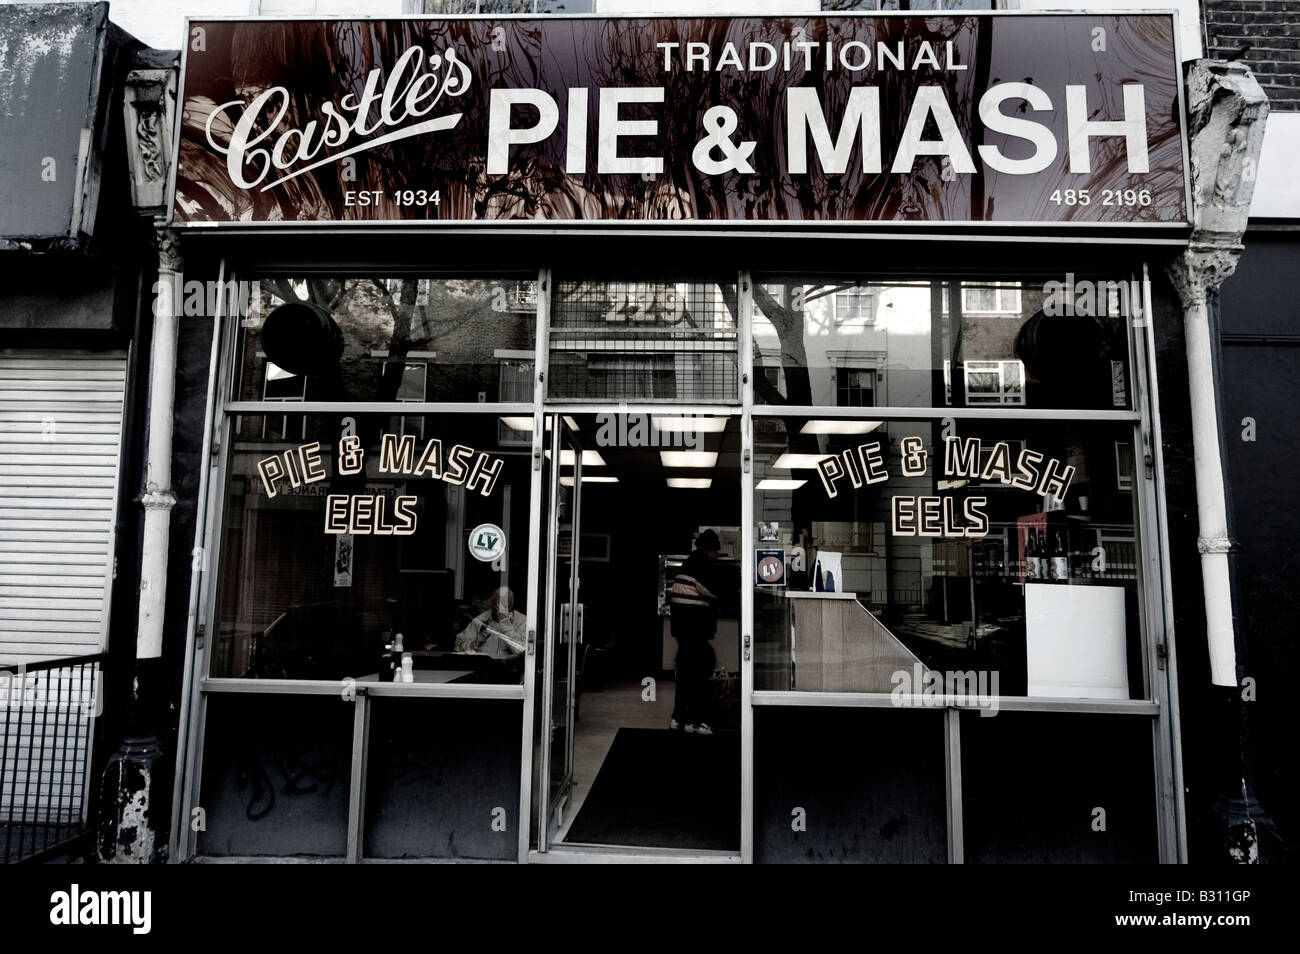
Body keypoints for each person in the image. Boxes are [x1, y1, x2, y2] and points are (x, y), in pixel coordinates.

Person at [669, 529, 724, 735]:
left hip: (682, 627)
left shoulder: (690, 562)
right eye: (716, 551)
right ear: (710, 550)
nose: (717, 555)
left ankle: (680, 718)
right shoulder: (703, 564)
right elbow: (715, 590)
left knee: (685, 672)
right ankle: (699, 721)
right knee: (701, 671)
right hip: (695, 626)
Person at [454, 587, 527, 657]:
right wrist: (474, 644)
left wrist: (504, 622)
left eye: (503, 605)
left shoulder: (522, 621)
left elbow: (521, 651)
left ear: (510, 606)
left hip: (509, 667)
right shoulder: (482, 619)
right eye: (495, 605)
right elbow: (458, 645)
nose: (497, 609)